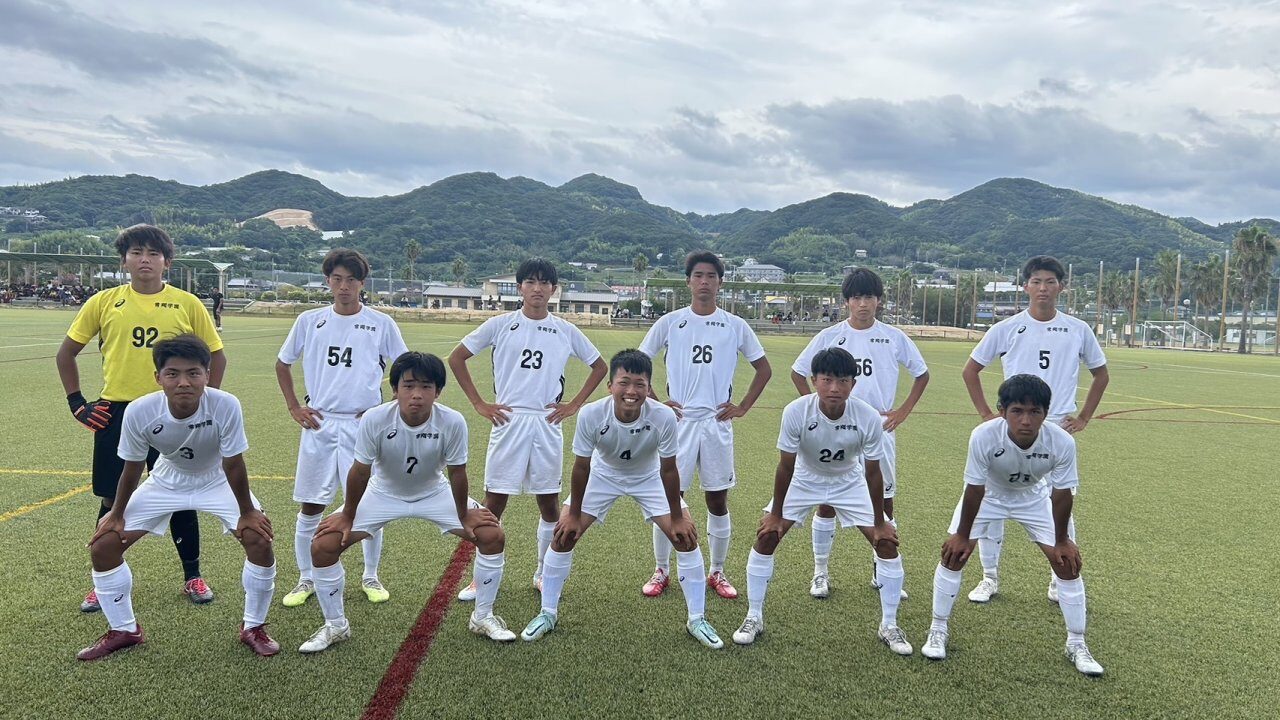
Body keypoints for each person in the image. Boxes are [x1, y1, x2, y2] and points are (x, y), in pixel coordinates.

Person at [56, 224, 224, 614]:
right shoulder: (103, 302)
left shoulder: (186, 303)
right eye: (136, 252)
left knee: (181, 495)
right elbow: (66, 353)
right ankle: (102, 580)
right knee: (111, 497)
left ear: (167, 262)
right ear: (124, 261)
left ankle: (192, 576)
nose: (144, 259)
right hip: (118, 413)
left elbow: (217, 356)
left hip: (174, 412)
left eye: (152, 253)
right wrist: (78, 403)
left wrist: (204, 403)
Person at [77, 335, 278, 660]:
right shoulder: (140, 410)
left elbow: (233, 463)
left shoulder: (226, 404)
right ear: (158, 377)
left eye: (193, 373)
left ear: (207, 375)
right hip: (166, 480)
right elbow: (132, 467)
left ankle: (253, 627)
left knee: (258, 539)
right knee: (104, 545)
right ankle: (124, 630)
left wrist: (247, 512)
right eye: (173, 373)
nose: (184, 382)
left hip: (216, 479)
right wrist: (116, 514)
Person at [299, 352, 515, 652]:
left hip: (433, 492)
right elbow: (360, 471)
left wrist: (464, 513)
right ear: (395, 389)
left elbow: (457, 473)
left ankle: (483, 617)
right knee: (323, 545)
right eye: (408, 385)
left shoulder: (452, 421)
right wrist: (348, 514)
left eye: (426, 386)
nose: (416, 394)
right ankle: (335, 625)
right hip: (383, 493)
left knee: (492, 535)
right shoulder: (375, 418)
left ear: (438, 392)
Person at [519, 350, 723, 648]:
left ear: (649, 388)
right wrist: (573, 514)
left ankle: (697, 619)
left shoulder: (663, 416)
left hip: (648, 476)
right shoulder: (591, 414)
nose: (631, 391)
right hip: (603, 475)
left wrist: (678, 517)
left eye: (640, 384)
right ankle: (547, 613)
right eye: (624, 382)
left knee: (686, 538)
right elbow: (582, 466)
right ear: (610, 386)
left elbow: (668, 469)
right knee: (563, 534)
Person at [921, 374, 1104, 677]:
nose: (1026, 420)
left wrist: (1062, 541)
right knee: (953, 556)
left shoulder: (1062, 442)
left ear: (1046, 413)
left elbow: (1061, 494)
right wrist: (963, 535)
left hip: (1033, 497)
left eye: (1035, 411)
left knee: (1067, 564)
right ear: (1002, 411)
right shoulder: (983, 435)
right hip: (989, 496)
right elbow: (975, 488)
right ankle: (937, 629)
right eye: (1017, 411)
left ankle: (1077, 643)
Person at [734, 348, 910, 653]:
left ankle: (890, 625)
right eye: (827, 380)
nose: (834, 388)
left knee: (886, 543)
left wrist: (880, 522)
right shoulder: (796, 411)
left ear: (853, 384)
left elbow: (872, 472)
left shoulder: (868, 416)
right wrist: (776, 514)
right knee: (767, 536)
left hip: (849, 480)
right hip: (805, 478)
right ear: (814, 380)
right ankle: (754, 616)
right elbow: (786, 466)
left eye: (843, 381)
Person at [450, 258, 607, 601]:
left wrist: (573, 404)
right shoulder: (500, 324)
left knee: (549, 503)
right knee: (494, 502)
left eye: (544, 283)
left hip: (546, 421)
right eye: (531, 282)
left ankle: (542, 573)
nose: (538, 288)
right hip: (508, 420)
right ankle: (481, 578)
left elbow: (599, 366)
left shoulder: (564, 329)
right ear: (520, 287)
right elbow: (457, 357)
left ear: (554, 289)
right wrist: (479, 403)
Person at [961, 255, 1108, 603]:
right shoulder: (1007, 328)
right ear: (1026, 286)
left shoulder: (1078, 329)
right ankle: (989, 578)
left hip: (1055, 428)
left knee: (1061, 501)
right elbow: (970, 371)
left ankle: (1059, 578)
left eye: (1050, 282)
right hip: (1011, 428)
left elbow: (1101, 374)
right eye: (1037, 281)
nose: (1043, 288)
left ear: (1061, 287)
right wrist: (988, 415)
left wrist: (1084, 417)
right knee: (993, 497)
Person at [275, 249, 408, 608]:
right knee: (311, 504)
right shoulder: (309, 320)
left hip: (362, 425)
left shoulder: (381, 323)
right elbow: (283, 364)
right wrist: (294, 406)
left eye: (351, 279)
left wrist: (385, 408)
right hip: (319, 423)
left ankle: (371, 576)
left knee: (368, 504)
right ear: (328, 282)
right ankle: (306, 577)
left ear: (362, 283)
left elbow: (405, 367)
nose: (344, 286)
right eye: (337, 279)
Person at [637, 251, 772, 600]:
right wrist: (656, 401)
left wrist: (742, 406)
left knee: (717, 499)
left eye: (711, 276)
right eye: (698, 275)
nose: (704, 282)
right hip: (679, 423)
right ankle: (662, 569)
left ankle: (717, 571)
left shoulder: (735, 324)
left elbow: (764, 369)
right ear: (688, 281)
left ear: (720, 282)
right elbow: (639, 361)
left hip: (715, 422)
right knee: (670, 498)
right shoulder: (671, 322)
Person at [789, 268, 928, 599]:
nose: (862, 304)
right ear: (847, 301)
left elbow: (922, 374)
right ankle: (820, 572)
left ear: (879, 301)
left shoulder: (893, 336)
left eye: (869, 297)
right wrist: (817, 408)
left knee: (885, 499)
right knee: (827, 501)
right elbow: (798, 372)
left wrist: (903, 411)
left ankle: (882, 569)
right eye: (856, 297)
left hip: (878, 427)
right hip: (835, 430)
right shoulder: (830, 336)